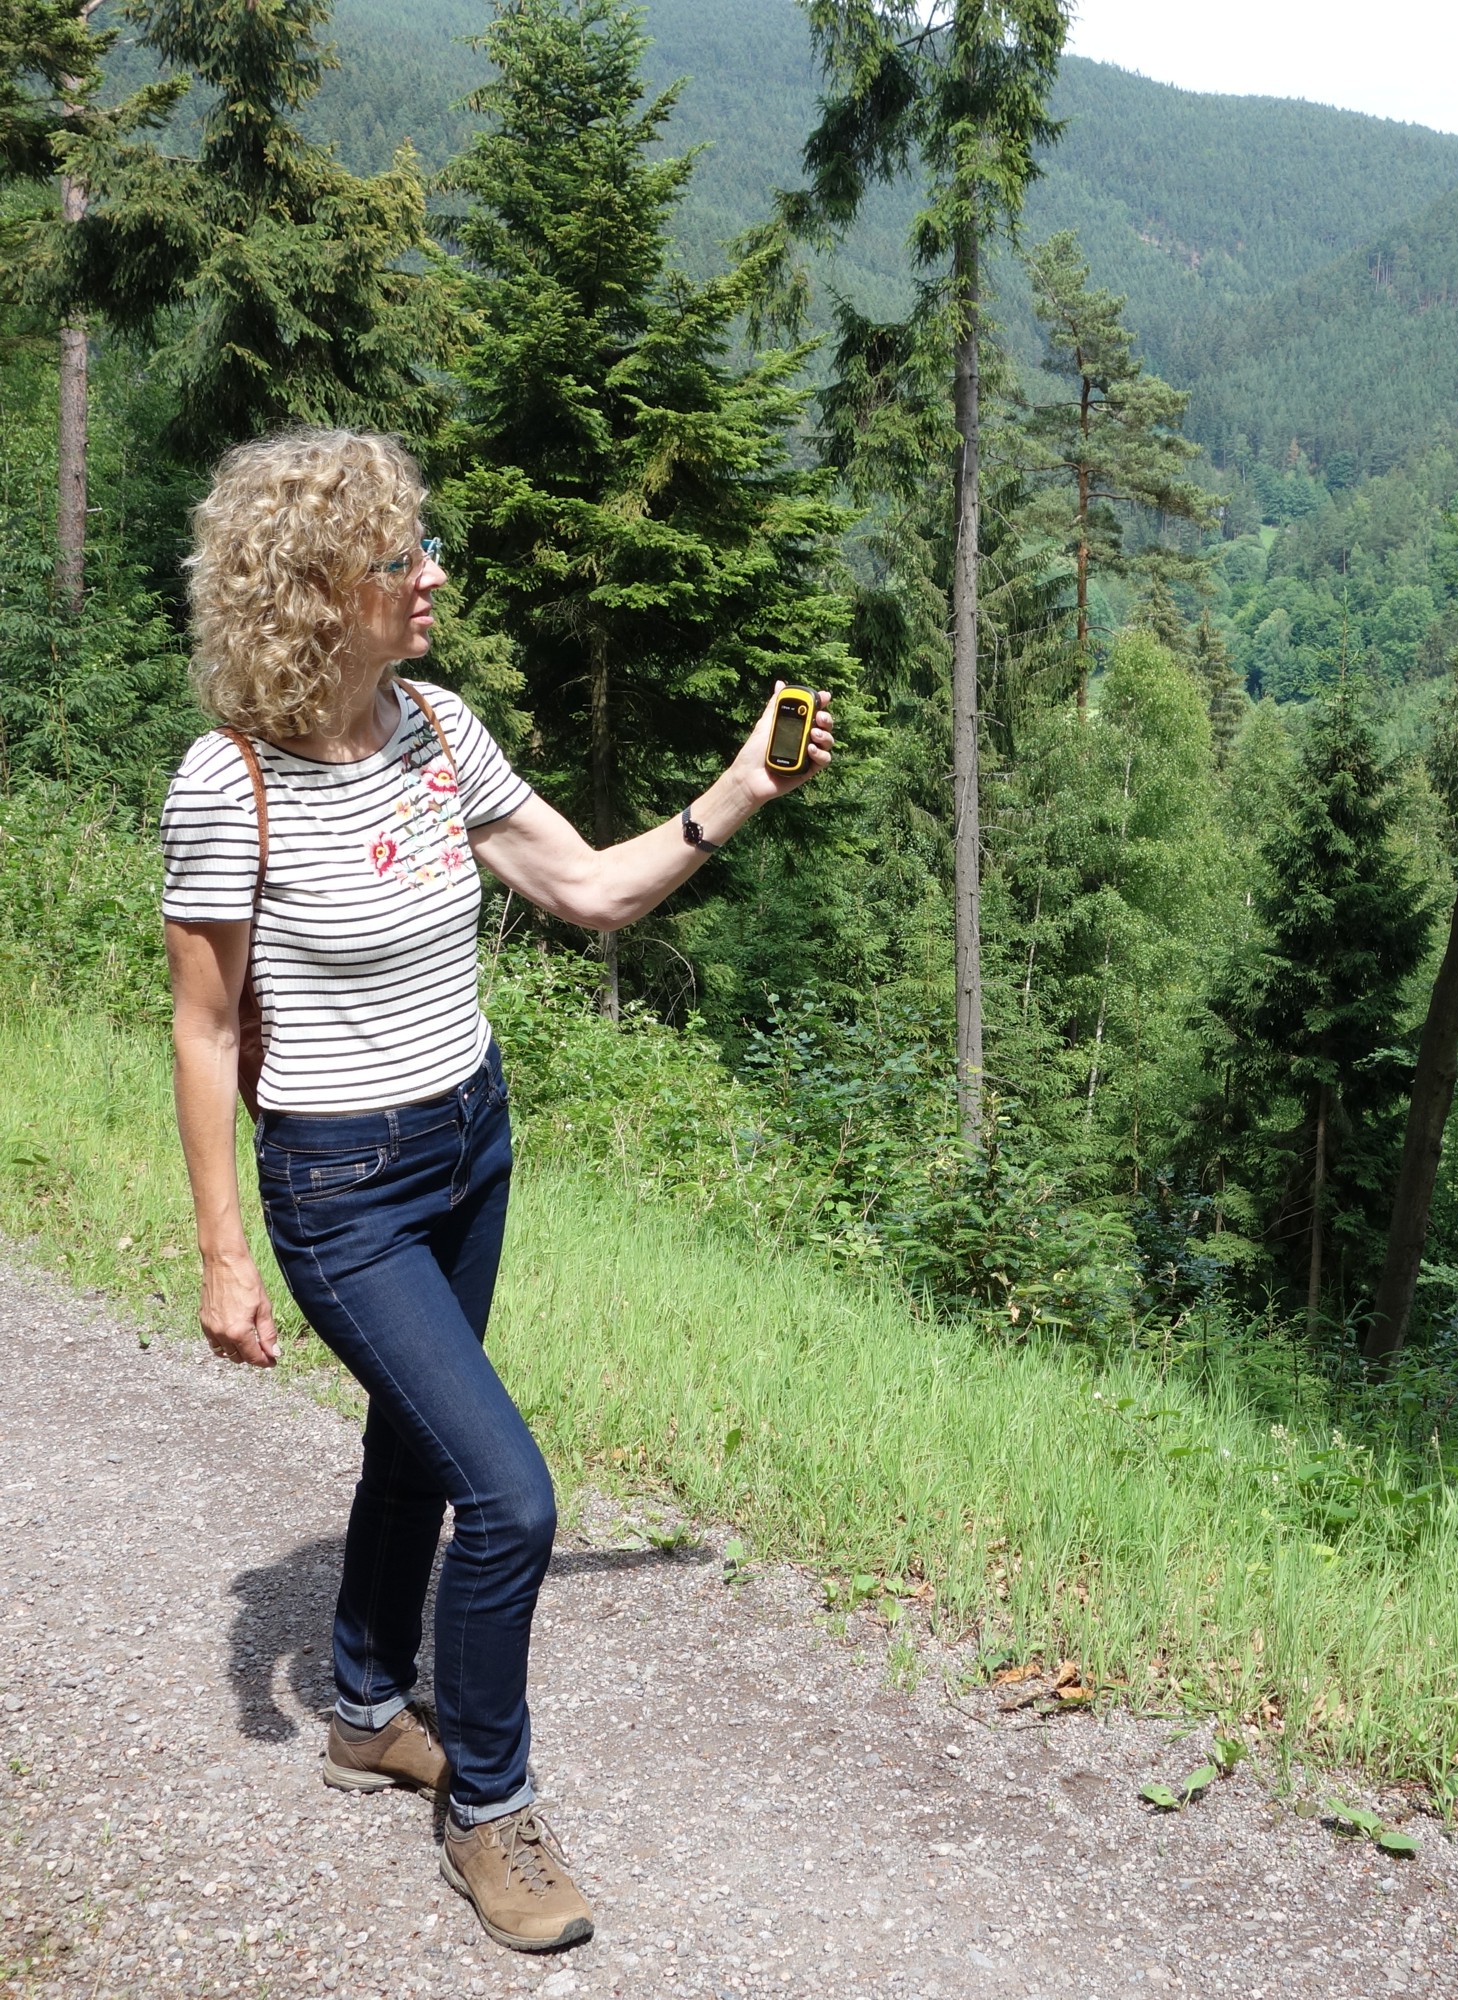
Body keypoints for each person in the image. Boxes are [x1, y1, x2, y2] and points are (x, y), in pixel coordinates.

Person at [161, 427, 833, 1954]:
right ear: (318, 587)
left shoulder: (435, 730)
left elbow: (588, 887)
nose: (433, 577)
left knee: (417, 1440)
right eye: (406, 557)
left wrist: (741, 787)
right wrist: (224, 1256)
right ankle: (488, 1807)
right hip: (338, 1184)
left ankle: (364, 1704)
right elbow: (205, 1034)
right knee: (510, 1495)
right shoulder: (230, 783)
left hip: (470, 1139)